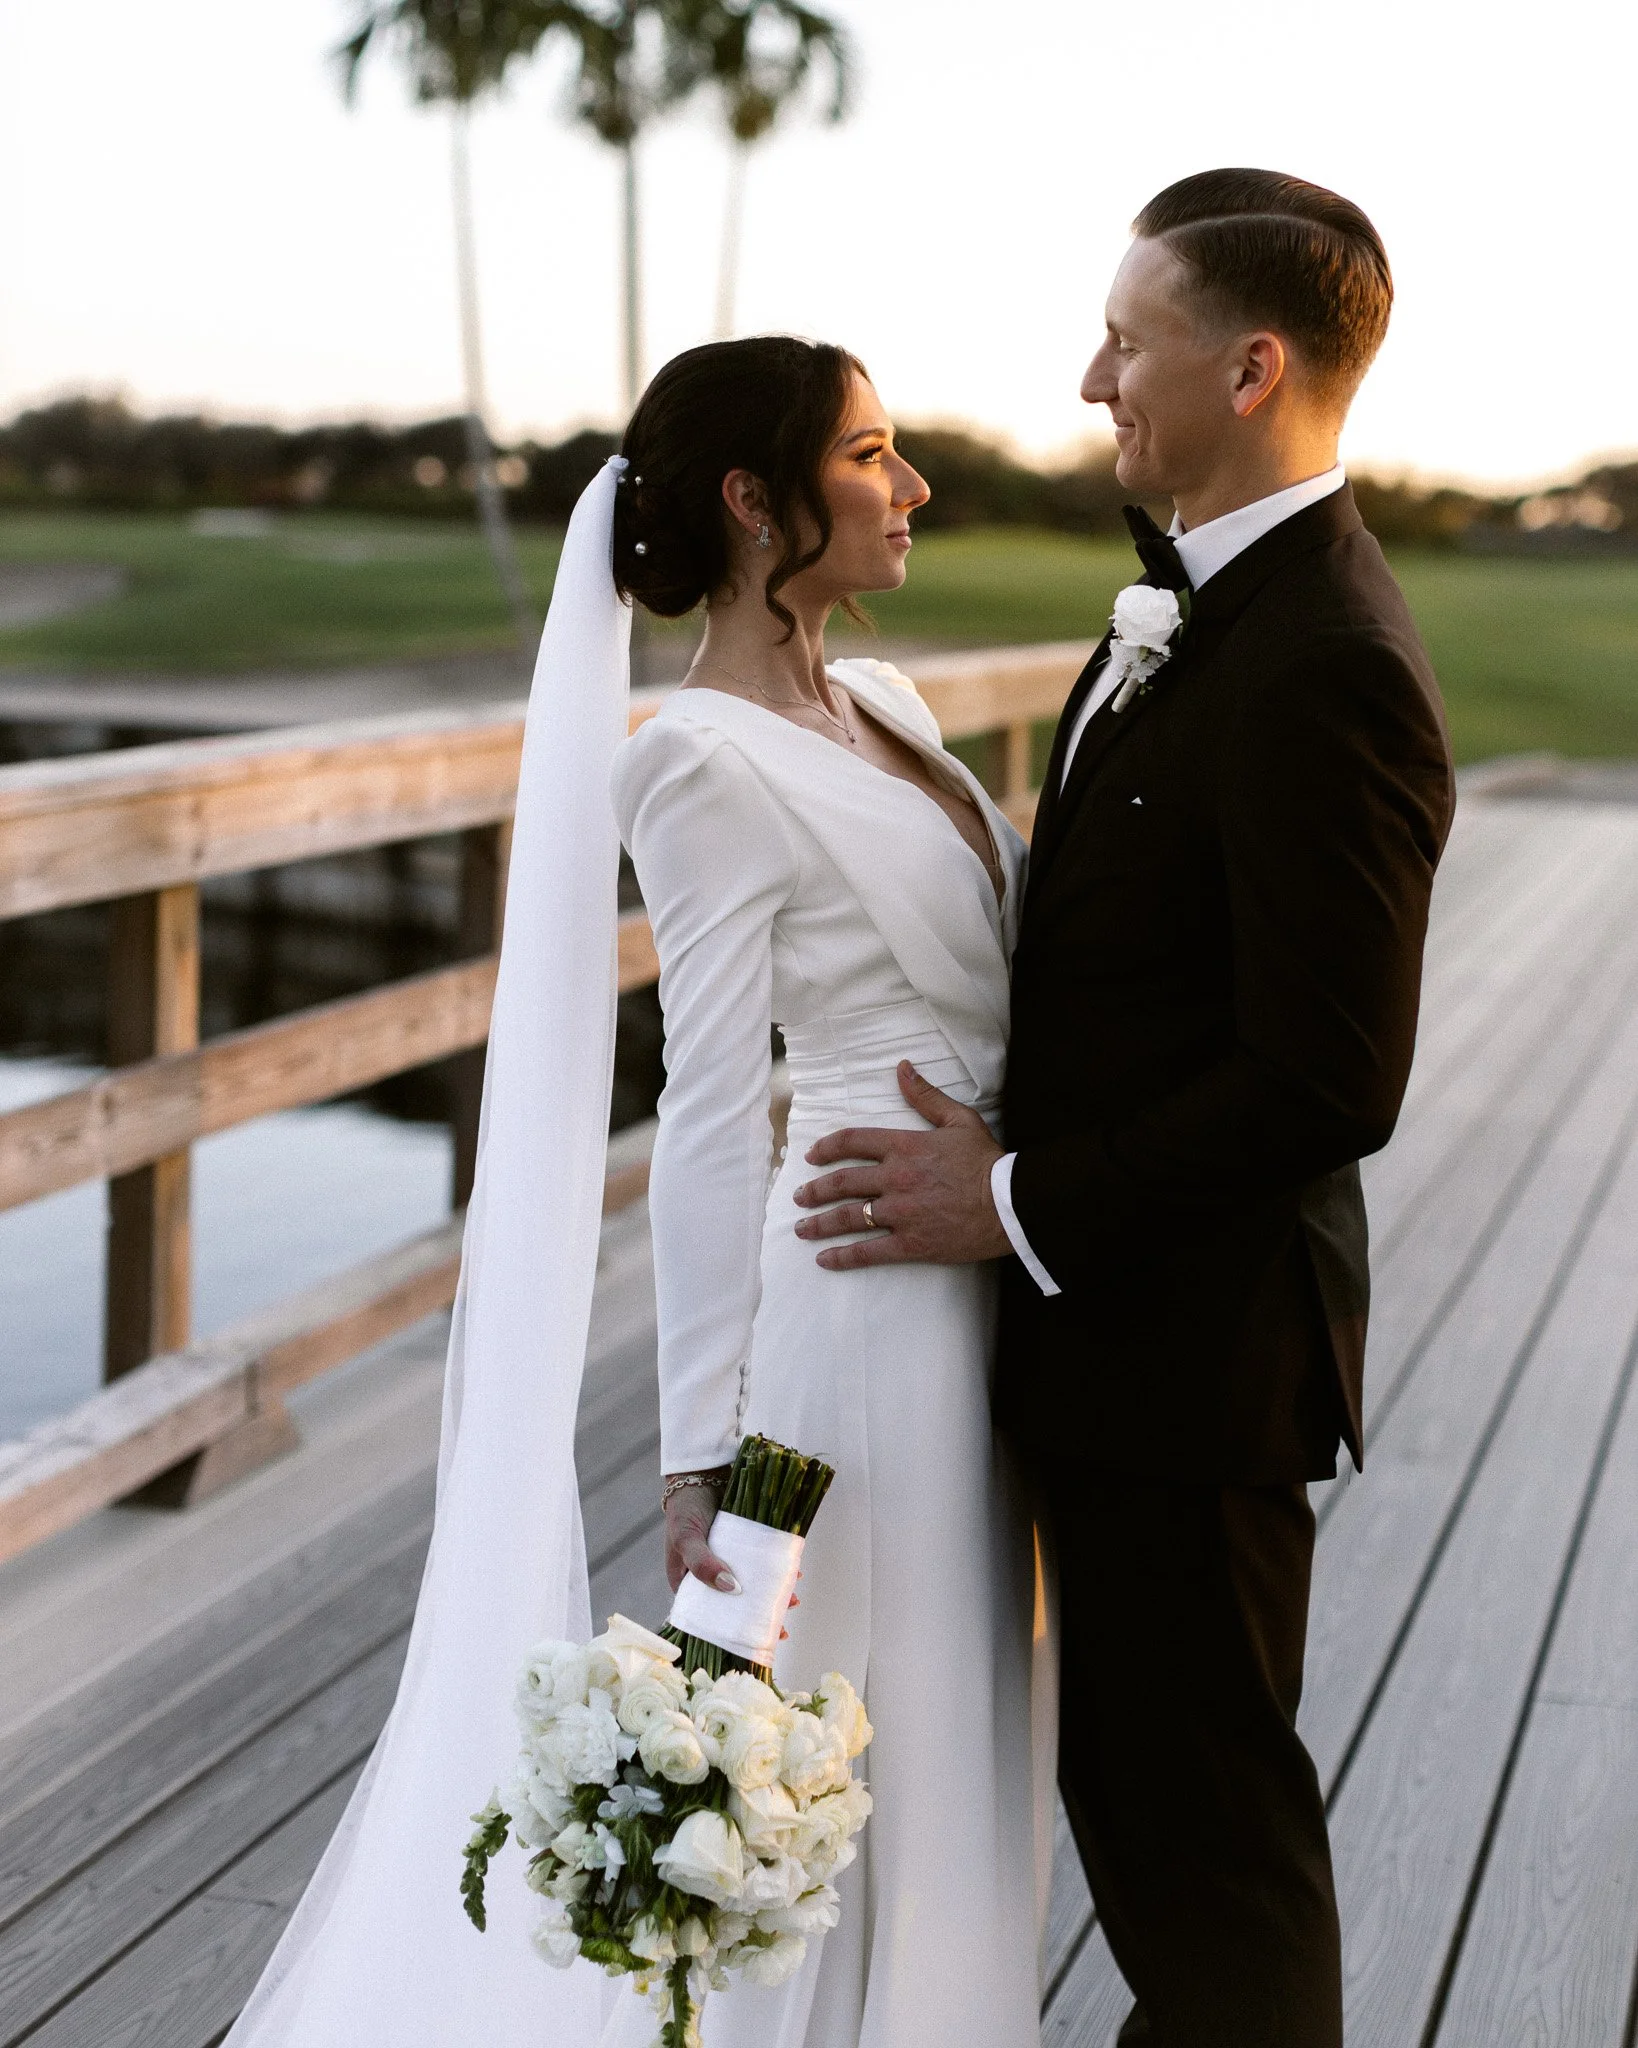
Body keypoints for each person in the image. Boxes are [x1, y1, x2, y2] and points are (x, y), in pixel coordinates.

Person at [222, 335, 1051, 2048]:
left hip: (985, 1267)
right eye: (869, 454)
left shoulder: (886, 705)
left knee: (978, 1724)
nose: (910, 486)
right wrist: (699, 1450)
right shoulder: (695, 761)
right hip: (862, 1314)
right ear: (754, 500)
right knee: (864, 1744)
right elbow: (702, 1112)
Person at [794, 170, 1457, 2047]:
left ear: (1250, 369)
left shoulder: (1324, 659)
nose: (1093, 377)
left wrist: (1005, 1200)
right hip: (1120, 1352)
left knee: (1205, 1860)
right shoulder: (1197, 604)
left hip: (1195, 1363)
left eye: (1126, 339)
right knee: (1157, 1836)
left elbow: (1331, 1078)